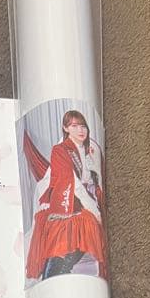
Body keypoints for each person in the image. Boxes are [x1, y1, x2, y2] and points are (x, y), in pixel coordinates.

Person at [24, 110, 107, 281]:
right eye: (74, 126)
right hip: (66, 202)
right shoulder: (60, 150)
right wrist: (94, 210)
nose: (80, 130)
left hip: (83, 200)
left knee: (88, 226)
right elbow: (74, 184)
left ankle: (62, 273)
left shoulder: (88, 149)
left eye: (83, 126)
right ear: (65, 128)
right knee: (78, 227)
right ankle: (54, 276)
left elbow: (91, 179)